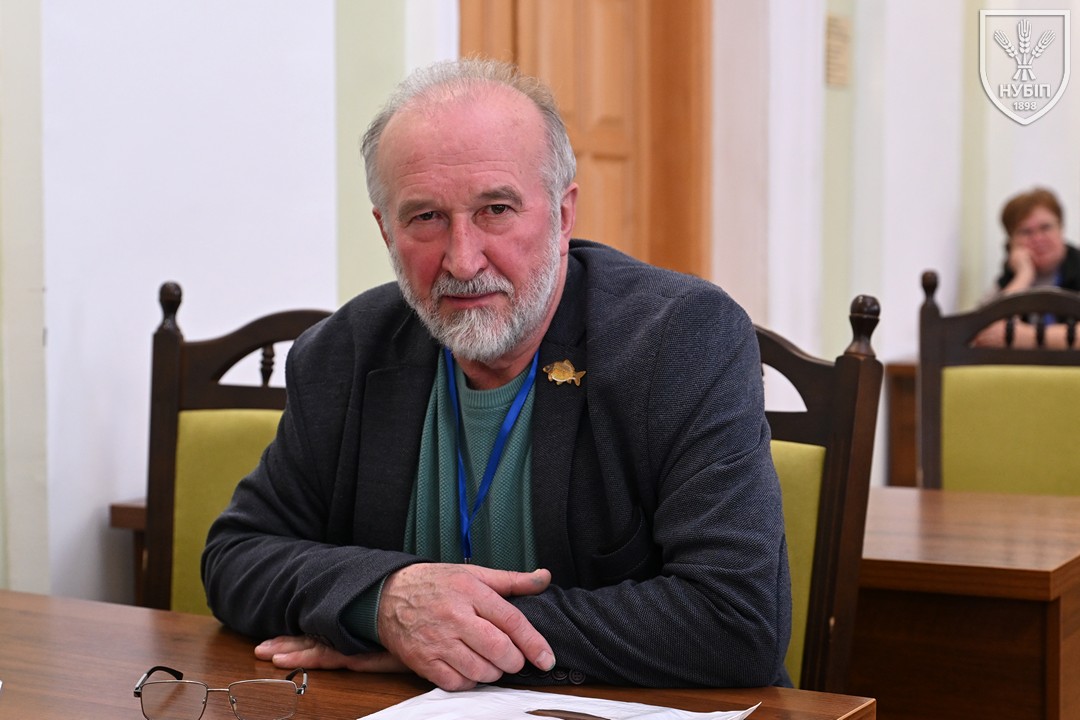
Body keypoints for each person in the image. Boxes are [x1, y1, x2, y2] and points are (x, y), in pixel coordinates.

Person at [202, 58, 791, 692]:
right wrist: (387, 602)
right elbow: (237, 555)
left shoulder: (680, 339)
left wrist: (448, 632)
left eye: (496, 209)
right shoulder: (343, 353)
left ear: (563, 215)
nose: (463, 260)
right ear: (385, 230)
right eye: (425, 217)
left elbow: (737, 617)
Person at [974, 187, 1080, 348]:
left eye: (1045, 227)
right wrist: (1023, 275)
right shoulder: (1008, 281)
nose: (1038, 238)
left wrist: (1030, 337)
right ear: (1011, 242)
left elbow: (1004, 335)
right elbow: (984, 334)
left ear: (1061, 229)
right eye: (1026, 232)